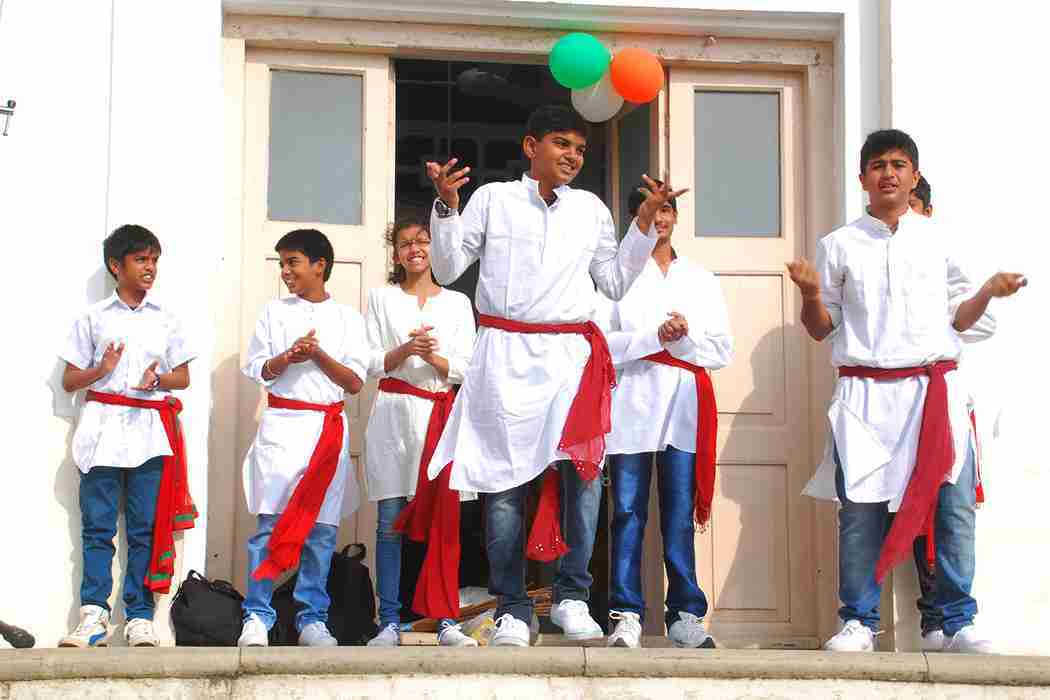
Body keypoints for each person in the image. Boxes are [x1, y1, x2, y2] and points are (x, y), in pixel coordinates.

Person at [423, 104, 684, 647]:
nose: (572, 156)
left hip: (569, 357)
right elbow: (446, 270)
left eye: (580, 149)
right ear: (530, 146)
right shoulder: (493, 199)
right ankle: (513, 609)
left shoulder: (590, 209)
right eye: (562, 144)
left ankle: (572, 596)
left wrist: (642, 224)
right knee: (502, 487)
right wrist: (446, 208)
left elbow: (614, 283)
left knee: (582, 480)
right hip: (503, 354)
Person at [787, 129, 1026, 654]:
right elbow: (821, 328)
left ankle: (958, 620)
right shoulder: (839, 244)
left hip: (933, 393)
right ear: (862, 179)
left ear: (914, 176)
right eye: (878, 165)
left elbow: (959, 318)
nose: (888, 174)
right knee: (860, 513)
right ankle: (858, 621)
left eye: (898, 165)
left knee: (953, 509)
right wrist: (809, 293)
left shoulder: (941, 239)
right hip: (866, 396)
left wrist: (988, 292)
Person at [598, 184, 733, 649]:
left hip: (682, 406)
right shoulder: (616, 278)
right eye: (650, 208)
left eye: (667, 208)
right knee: (627, 511)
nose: (660, 216)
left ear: (675, 216)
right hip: (631, 402)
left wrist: (684, 338)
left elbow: (721, 349)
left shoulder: (700, 278)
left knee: (678, 512)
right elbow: (601, 345)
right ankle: (626, 614)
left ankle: (685, 615)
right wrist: (653, 337)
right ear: (637, 216)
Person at [58, 224, 197, 648]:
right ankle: (93, 615)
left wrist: (159, 380)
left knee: (144, 529)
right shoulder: (93, 317)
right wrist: (101, 370)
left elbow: (183, 377)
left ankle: (139, 616)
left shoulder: (166, 318)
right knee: (97, 528)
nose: (149, 267)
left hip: (148, 433)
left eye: (154, 260)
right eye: (140, 260)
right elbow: (69, 380)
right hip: (101, 430)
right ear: (116, 266)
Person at [237, 229, 368, 648]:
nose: (285, 271)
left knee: (321, 531)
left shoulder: (348, 319)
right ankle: (257, 615)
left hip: (326, 432)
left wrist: (317, 355)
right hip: (282, 427)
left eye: (292, 262)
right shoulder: (274, 313)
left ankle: (312, 619)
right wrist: (287, 357)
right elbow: (257, 368)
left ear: (319, 265)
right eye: (282, 264)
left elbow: (354, 382)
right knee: (270, 525)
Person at [363, 218, 478, 648]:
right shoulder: (382, 298)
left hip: (439, 416)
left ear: (435, 248)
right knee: (389, 523)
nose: (414, 249)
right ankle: (389, 621)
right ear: (395, 253)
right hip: (393, 416)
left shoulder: (457, 303)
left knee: (443, 522)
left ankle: (445, 619)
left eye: (422, 241)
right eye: (405, 243)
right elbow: (369, 361)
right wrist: (405, 350)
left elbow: (469, 366)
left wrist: (433, 358)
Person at [907, 175, 995, 651]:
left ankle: (956, 617)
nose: (908, 216)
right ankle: (930, 617)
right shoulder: (870, 257)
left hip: (946, 402)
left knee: (953, 510)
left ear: (929, 211)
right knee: (901, 511)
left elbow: (984, 323)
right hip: (895, 404)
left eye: (915, 206)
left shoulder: (946, 259)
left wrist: (937, 312)